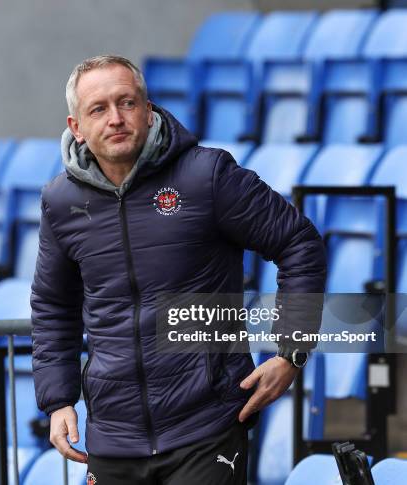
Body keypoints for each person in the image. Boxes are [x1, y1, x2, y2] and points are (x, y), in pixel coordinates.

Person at [31, 55, 326, 484]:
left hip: (205, 428)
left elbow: (299, 243)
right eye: (98, 109)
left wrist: (291, 352)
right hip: (113, 435)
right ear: (76, 126)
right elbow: (53, 305)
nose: (115, 118)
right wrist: (58, 401)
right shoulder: (60, 202)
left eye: (127, 103)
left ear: (148, 111)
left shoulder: (206, 175)